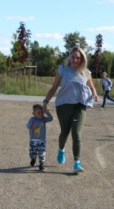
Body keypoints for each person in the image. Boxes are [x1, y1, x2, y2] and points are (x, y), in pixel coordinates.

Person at [42, 46, 98, 174]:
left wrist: (94, 93)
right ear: (69, 57)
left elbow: (92, 86)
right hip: (64, 105)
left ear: (82, 59)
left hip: (80, 105)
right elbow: (54, 87)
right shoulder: (63, 70)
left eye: (78, 58)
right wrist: (45, 101)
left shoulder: (85, 72)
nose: (75, 60)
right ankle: (61, 148)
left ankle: (76, 163)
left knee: (76, 133)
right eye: (73, 57)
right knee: (64, 132)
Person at [27, 104, 54, 171]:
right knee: (32, 152)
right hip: (33, 140)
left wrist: (47, 112)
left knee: (42, 153)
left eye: (42, 113)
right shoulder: (32, 119)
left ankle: (41, 164)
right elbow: (27, 126)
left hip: (42, 140)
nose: (41, 114)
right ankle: (33, 158)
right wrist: (31, 126)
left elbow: (51, 118)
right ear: (34, 113)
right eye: (38, 113)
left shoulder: (44, 119)